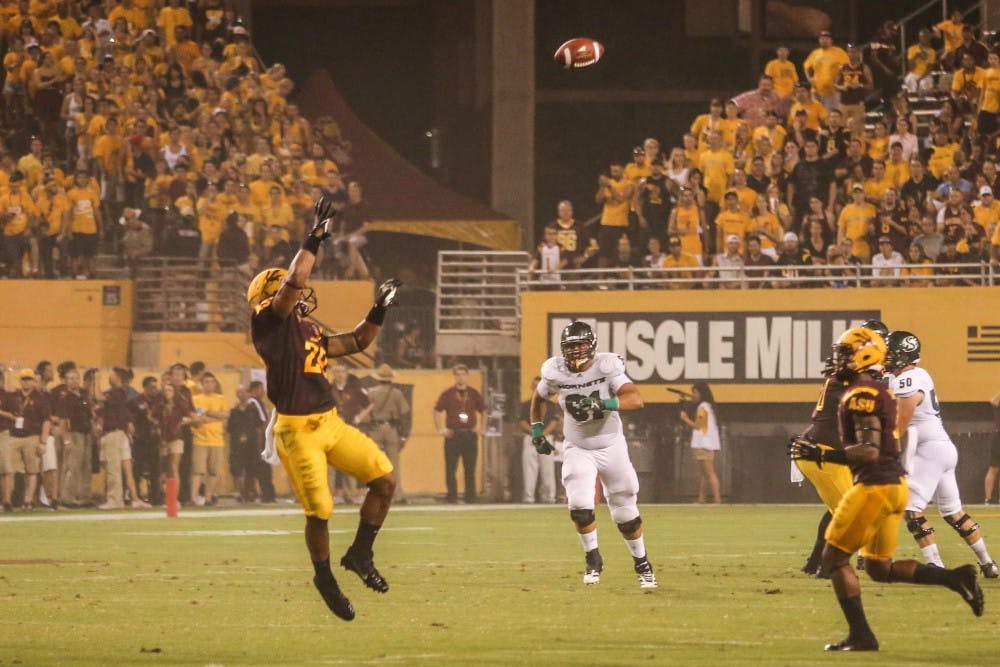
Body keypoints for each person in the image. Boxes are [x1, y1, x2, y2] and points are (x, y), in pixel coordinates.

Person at [248, 196, 401, 622]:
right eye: (283, 288)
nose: (299, 293)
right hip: (297, 431)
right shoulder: (268, 323)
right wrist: (315, 236)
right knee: (321, 511)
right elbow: (295, 279)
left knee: (385, 481)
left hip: (329, 422)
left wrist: (379, 309)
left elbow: (355, 342)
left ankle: (360, 554)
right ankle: (324, 577)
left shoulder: (308, 329)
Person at [790, 327, 984, 652]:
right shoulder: (877, 388)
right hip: (893, 486)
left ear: (864, 356)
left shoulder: (862, 394)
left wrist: (822, 454)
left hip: (875, 486)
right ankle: (955, 578)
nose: (838, 360)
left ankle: (862, 636)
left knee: (834, 559)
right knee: (880, 569)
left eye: (845, 354)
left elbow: (869, 450)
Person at [529, 321, 657, 588]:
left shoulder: (606, 367)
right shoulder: (555, 372)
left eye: (580, 344)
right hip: (578, 446)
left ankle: (642, 563)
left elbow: (636, 399)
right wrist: (537, 431)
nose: (576, 351)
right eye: (571, 346)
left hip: (610, 445)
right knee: (579, 506)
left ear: (592, 345)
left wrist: (604, 403)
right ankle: (593, 558)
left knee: (624, 509)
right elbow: (539, 398)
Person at [883, 331, 998, 578]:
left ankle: (936, 565)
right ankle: (988, 563)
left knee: (911, 510)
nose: (886, 357)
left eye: (890, 353)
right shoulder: (912, 375)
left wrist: (884, 449)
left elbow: (900, 424)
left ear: (904, 355)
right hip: (940, 447)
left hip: (928, 450)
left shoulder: (909, 379)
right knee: (954, 513)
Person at [433, 364, 485, 503]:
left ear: (467, 376)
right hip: (453, 435)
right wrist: (441, 429)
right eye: (458, 374)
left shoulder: (473, 393)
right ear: (454, 376)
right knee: (451, 468)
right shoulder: (448, 393)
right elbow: (437, 410)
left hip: (469, 434)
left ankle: (470, 497)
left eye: (463, 374)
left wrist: (482, 428)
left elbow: (484, 410)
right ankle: (452, 496)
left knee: (470, 468)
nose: (460, 377)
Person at [362, 364, 410, 503]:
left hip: (375, 428)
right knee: (394, 464)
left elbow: (366, 415)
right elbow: (404, 414)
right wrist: (403, 435)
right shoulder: (397, 393)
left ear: (378, 379)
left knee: (375, 464)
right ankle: (397, 494)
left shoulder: (370, 393)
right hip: (391, 428)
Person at [518, 376, 559, 504]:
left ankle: (549, 497)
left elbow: (554, 421)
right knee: (529, 470)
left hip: (546, 438)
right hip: (531, 438)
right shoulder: (526, 404)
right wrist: (534, 433)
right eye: (535, 385)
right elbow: (522, 422)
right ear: (532, 387)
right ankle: (529, 497)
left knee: (548, 470)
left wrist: (543, 434)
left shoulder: (551, 405)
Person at [679, 381, 721, 504]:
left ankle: (717, 499)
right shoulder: (708, 406)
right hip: (705, 443)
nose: (693, 395)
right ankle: (701, 498)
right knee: (704, 474)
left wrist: (685, 418)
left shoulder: (703, 407)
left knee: (709, 473)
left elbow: (698, 425)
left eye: (695, 392)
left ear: (701, 393)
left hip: (703, 443)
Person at [987, 390, 1000, 504]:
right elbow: (993, 401)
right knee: (993, 469)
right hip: (998, 437)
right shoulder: (997, 404)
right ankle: (988, 499)